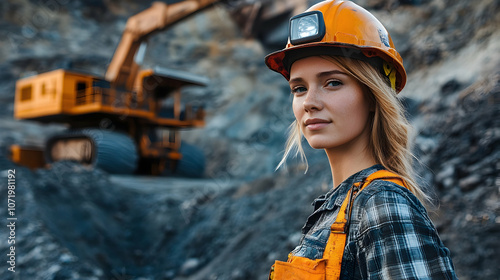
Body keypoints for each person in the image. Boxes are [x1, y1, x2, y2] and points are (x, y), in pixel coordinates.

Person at [264, 0, 458, 279]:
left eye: (333, 82)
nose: (309, 102)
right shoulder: (338, 208)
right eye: (299, 88)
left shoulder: (382, 204)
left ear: (373, 95)